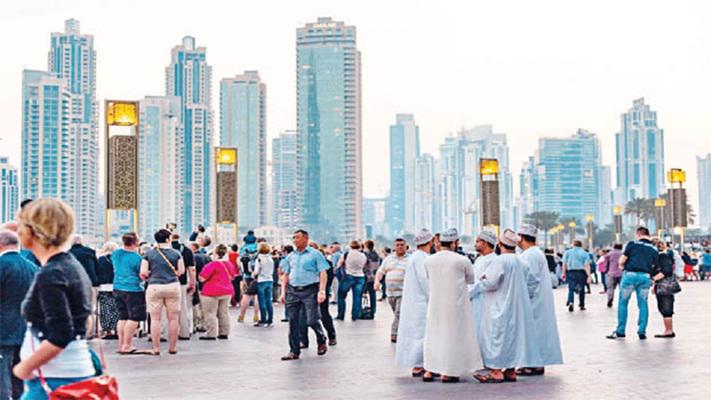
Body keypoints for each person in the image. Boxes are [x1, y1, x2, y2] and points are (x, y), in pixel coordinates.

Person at [12, 199, 96, 397]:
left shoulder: (51, 274)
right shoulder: (70, 266)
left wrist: (23, 368)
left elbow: (61, 333)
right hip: (67, 374)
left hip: (54, 379)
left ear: (33, 231)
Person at [471, 229, 536, 384]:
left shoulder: (499, 261)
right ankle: (511, 370)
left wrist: (483, 279)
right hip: (517, 308)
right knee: (512, 338)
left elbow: (490, 283)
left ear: (500, 244)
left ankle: (496, 371)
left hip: (498, 305)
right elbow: (533, 283)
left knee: (497, 337)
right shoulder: (522, 262)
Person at [422, 228, 479, 383]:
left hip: (435, 304)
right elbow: (471, 279)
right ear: (454, 243)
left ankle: (430, 370)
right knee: (454, 336)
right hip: (456, 305)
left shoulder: (429, 260)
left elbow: (429, 277)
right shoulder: (462, 260)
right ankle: (449, 372)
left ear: (440, 243)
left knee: (434, 335)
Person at [516, 225, 563, 376]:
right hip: (537, 299)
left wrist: (525, 298)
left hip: (533, 300)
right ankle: (536, 363)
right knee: (537, 332)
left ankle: (531, 364)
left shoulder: (530, 255)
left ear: (522, 237)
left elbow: (532, 279)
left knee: (532, 332)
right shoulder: (535, 253)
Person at [279, 230, 329, 361]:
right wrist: (283, 292)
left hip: (310, 290)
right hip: (293, 291)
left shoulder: (315, 254)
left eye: (298, 238)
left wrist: (322, 291)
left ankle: (321, 337)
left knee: (311, 320)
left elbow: (323, 273)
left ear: (306, 239)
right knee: (292, 321)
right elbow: (285, 274)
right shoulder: (291, 256)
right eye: (293, 238)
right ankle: (293, 351)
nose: (295, 240)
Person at [0, 230, 38, 400]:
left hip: (3, 328)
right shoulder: (33, 267)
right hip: (26, 328)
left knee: (2, 376)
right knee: (19, 373)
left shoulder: (2, 266)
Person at [607, 227, 658, 340]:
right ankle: (642, 331)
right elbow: (655, 265)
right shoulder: (654, 249)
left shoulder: (632, 244)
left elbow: (622, 260)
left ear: (638, 234)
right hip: (645, 277)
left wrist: (621, 266)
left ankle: (621, 330)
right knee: (643, 304)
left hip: (630, 275)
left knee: (623, 303)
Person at [395, 229, 433, 378]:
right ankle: (420, 364)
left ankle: (419, 364)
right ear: (429, 242)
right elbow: (425, 280)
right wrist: (434, 296)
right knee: (421, 333)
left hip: (414, 301)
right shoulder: (422, 258)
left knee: (416, 332)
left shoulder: (414, 257)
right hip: (421, 302)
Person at [140, 229, 185, 355]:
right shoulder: (176, 253)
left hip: (154, 286)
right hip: (173, 286)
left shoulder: (149, 254)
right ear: (167, 239)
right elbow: (181, 271)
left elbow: (143, 272)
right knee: (173, 319)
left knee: (155, 319)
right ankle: (173, 347)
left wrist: (151, 274)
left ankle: (156, 348)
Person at [112, 232, 147, 355]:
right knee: (134, 318)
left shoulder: (115, 254)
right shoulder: (137, 258)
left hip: (117, 287)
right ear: (136, 242)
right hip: (133, 289)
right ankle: (127, 345)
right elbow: (142, 275)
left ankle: (121, 344)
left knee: (122, 317)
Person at [198, 244, 237, 340]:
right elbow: (233, 276)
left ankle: (211, 334)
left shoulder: (212, 264)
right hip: (227, 291)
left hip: (211, 292)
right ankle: (224, 332)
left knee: (210, 313)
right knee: (224, 313)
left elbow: (202, 278)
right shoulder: (229, 264)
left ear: (215, 253)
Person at [374, 238, 409, 343]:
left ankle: (395, 334)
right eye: (397, 245)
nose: (399, 247)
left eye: (402, 244)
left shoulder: (410, 259)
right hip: (391, 293)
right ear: (394, 247)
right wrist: (377, 282)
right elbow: (381, 271)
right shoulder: (388, 259)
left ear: (406, 246)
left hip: (403, 292)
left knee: (399, 313)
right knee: (398, 314)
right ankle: (404, 330)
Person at [469, 230, 498, 344]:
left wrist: (467, 293)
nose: (475, 244)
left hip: (487, 302)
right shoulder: (480, 259)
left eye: (477, 241)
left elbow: (486, 282)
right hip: (475, 302)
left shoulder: (494, 260)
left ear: (485, 243)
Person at [68, 235, 99, 339]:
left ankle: (77, 330)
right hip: (90, 282)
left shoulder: (68, 254)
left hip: (73, 283)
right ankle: (90, 332)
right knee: (91, 307)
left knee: (74, 307)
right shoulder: (90, 252)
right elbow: (96, 268)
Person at [170, 233, 196, 340]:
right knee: (182, 308)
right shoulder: (186, 250)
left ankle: (163, 334)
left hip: (164, 281)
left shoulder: (161, 250)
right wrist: (193, 282)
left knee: (164, 310)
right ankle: (184, 332)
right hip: (182, 282)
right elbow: (191, 269)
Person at [651, 240, 678, 338]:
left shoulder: (662, 257)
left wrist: (653, 279)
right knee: (663, 307)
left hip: (665, 286)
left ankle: (669, 330)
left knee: (666, 308)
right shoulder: (662, 256)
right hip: (663, 286)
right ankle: (668, 330)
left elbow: (666, 271)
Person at [336, 240, 367, 321]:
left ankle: (341, 315)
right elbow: (364, 266)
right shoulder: (363, 255)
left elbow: (339, 265)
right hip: (360, 276)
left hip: (348, 276)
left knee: (341, 296)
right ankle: (355, 316)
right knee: (357, 297)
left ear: (350, 246)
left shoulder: (347, 254)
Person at [96, 242, 119, 340]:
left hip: (104, 286)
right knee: (116, 308)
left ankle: (108, 331)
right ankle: (117, 329)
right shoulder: (117, 259)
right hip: (117, 285)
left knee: (105, 308)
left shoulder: (101, 259)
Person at [561, 240, 591, 312]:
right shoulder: (585, 253)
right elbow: (586, 265)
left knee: (571, 288)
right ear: (581, 245)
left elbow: (564, 264)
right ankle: (581, 304)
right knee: (581, 288)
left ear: (573, 245)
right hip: (581, 272)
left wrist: (563, 273)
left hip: (571, 272)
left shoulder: (567, 252)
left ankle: (571, 301)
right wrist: (589, 275)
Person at [190, 241, 211, 333]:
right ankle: (204, 324)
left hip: (197, 282)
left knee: (195, 305)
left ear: (194, 247)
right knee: (205, 306)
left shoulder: (193, 257)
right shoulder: (207, 257)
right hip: (206, 283)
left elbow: (192, 270)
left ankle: (195, 324)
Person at [253, 243, 275, 327]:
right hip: (270, 280)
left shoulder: (259, 259)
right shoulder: (270, 258)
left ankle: (263, 319)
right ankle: (270, 319)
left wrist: (253, 274)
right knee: (269, 300)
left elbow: (257, 271)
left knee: (262, 301)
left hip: (261, 280)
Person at [238, 241, 260, 323]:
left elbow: (240, 264)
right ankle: (256, 315)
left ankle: (241, 316)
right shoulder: (258, 250)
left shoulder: (244, 249)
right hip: (258, 277)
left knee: (246, 296)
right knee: (257, 297)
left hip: (247, 276)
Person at [362, 240, 381, 318]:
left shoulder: (365, 254)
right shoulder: (376, 254)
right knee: (372, 294)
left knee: (363, 294)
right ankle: (373, 310)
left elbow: (364, 265)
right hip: (374, 276)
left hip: (366, 276)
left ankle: (362, 310)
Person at [602, 243, 624, 308]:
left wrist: (605, 271)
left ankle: (610, 298)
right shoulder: (623, 254)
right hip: (621, 273)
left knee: (610, 287)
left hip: (611, 273)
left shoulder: (609, 254)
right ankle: (622, 300)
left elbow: (606, 264)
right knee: (622, 288)